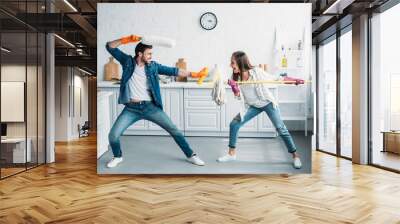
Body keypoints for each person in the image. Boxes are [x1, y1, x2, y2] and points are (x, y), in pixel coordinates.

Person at [105, 35, 206, 168]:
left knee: (174, 130)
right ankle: (117, 156)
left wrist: (194, 74)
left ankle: (191, 155)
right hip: (131, 109)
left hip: (150, 107)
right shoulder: (127, 62)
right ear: (140, 54)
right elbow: (110, 46)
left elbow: (174, 71)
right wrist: (127, 39)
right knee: (113, 135)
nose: (151, 56)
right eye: (149, 53)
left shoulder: (153, 66)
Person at [217, 51, 304, 169]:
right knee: (234, 124)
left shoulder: (256, 72)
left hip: (267, 102)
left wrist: (294, 80)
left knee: (281, 128)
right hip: (252, 106)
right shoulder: (235, 76)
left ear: (240, 63)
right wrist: (234, 87)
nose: (230, 65)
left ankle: (295, 156)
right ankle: (231, 154)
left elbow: (276, 79)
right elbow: (238, 96)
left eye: (233, 63)